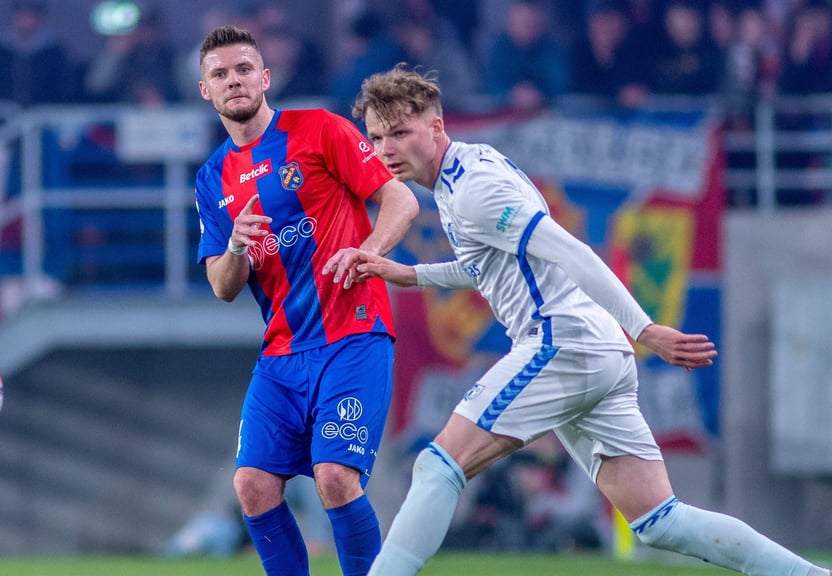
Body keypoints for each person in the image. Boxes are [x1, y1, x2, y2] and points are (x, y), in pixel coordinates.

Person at [344, 64, 831, 576]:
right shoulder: (460, 175)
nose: (386, 149)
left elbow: (571, 250)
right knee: (661, 521)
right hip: (594, 350)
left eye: (400, 133)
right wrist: (411, 275)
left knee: (437, 464)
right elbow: (485, 264)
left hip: (562, 342)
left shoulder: (474, 189)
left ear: (436, 126)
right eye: (376, 138)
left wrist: (645, 329)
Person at [193, 26, 419, 576]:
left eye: (244, 69)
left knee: (335, 478)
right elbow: (222, 286)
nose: (234, 80)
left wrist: (368, 251)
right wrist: (236, 247)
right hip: (281, 353)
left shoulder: (318, 128)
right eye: (220, 74)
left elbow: (401, 199)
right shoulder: (211, 177)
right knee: (251, 485)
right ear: (206, 90)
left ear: (265, 78)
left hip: (352, 336)